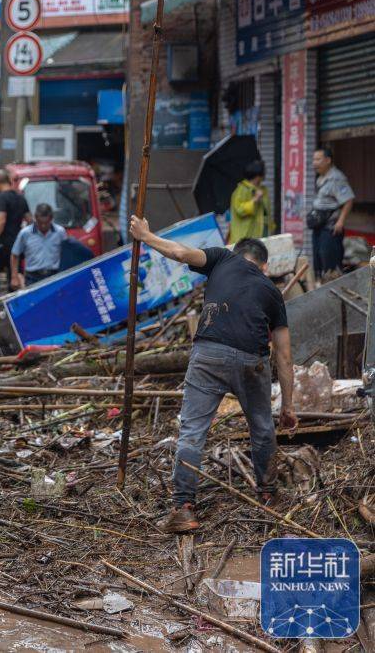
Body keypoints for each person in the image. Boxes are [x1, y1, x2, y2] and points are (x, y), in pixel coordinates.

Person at [128, 216, 296, 533]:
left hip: (208, 354)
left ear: (236, 252)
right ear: (265, 265)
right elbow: (285, 357)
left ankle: (184, 507)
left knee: (192, 431)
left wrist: (147, 236)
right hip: (252, 359)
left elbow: (180, 253)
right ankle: (267, 494)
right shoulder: (271, 291)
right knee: (262, 427)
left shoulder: (221, 258)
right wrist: (288, 407)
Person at [311, 147, 355, 279]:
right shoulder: (321, 178)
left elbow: (348, 200)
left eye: (318, 159)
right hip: (319, 226)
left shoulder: (336, 178)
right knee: (318, 261)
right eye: (314, 159)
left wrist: (340, 222)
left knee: (330, 264)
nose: (314, 163)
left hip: (331, 229)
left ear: (328, 160)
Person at [10, 203, 67, 289]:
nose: (43, 226)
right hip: (33, 277)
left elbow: (66, 253)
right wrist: (14, 277)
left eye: (46, 223)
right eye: (40, 223)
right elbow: (15, 255)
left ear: (51, 219)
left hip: (55, 275)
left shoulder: (60, 232)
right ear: (35, 218)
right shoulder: (25, 233)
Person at [228, 159, 271, 244]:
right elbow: (239, 209)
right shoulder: (242, 189)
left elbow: (267, 212)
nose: (265, 174)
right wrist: (254, 200)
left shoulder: (263, 190)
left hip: (261, 234)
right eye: (264, 171)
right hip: (244, 235)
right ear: (258, 175)